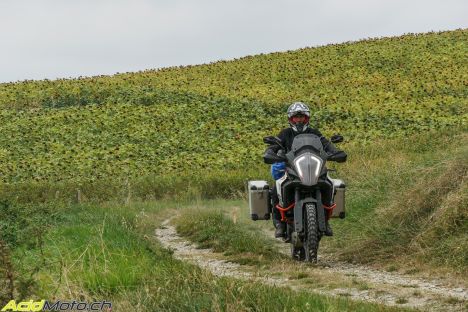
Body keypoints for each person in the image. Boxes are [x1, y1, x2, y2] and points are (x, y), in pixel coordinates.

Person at [263, 102, 347, 238]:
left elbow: (326, 144)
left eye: (301, 117)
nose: (299, 120)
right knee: (275, 190)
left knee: (329, 184)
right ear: (291, 119)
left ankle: (325, 220)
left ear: (307, 118)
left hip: (313, 168)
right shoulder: (285, 133)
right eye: (296, 117)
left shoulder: (314, 133)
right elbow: (274, 145)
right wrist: (270, 152)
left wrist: (335, 152)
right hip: (291, 169)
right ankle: (280, 224)